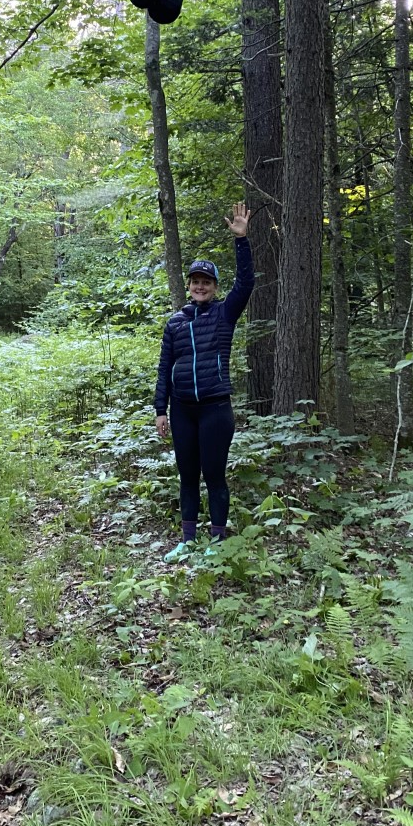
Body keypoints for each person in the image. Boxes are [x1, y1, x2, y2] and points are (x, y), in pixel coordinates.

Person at [153, 203, 254, 562]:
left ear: (213, 287)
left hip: (215, 408)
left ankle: (217, 540)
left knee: (214, 474)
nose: (199, 286)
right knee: (187, 476)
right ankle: (187, 539)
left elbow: (246, 284)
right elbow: (165, 366)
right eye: (195, 282)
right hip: (182, 410)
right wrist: (159, 410)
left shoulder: (225, 314)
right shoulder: (175, 323)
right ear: (190, 286)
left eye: (206, 282)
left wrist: (241, 240)